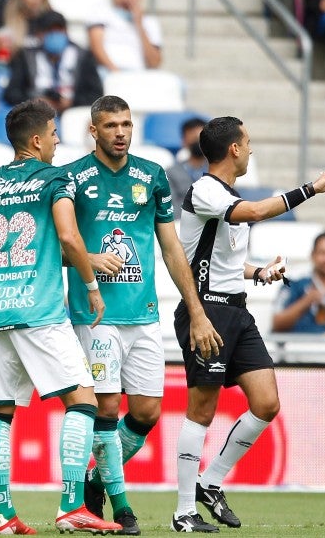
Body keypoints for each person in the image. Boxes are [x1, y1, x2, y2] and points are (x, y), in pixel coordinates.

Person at [0, 99, 121, 535]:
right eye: (55, 133)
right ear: (37, 139)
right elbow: (67, 234)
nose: (59, 141)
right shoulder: (54, 178)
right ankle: (71, 506)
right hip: (40, 310)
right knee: (83, 401)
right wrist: (91, 283)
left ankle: (4, 514)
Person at [58, 96, 221, 535]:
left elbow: (171, 247)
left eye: (126, 123)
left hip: (144, 314)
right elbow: (52, 245)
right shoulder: (72, 178)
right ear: (94, 131)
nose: (120, 132)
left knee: (147, 412)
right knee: (107, 408)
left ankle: (95, 480)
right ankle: (123, 506)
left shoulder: (151, 176)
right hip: (98, 316)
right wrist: (90, 258)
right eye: (110, 125)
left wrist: (196, 309)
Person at [171, 116, 325, 532]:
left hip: (236, 310)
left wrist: (258, 273)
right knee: (202, 410)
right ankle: (183, 511)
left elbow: (218, 262)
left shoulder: (224, 194)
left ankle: (209, 483)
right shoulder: (206, 190)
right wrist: (310, 189)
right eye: (247, 143)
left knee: (266, 403)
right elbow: (258, 211)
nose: (250, 150)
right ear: (233, 149)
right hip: (205, 311)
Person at [3, 10, 103, 114]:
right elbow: (11, 93)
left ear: (66, 31)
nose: (55, 34)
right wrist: (34, 102)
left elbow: (96, 94)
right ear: (39, 34)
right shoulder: (26, 58)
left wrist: (71, 102)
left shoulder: (83, 57)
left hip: (71, 111)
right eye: (49, 30)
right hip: (37, 114)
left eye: (59, 30)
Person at [272, 231, 325, 335]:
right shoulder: (294, 283)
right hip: (294, 348)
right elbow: (277, 324)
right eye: (322, 253)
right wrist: (306, 301)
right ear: (312, 255)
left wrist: (324, 340)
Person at [87, 0, 162, 73]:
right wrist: (117, 73)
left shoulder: (150, 23)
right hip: (109, 73)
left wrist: (139, 26)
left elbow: (154, 63)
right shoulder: (101, 15)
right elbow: (97, 48)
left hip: (139, 75)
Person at [167, 118, 208, 216]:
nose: (198, 143)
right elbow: (171, 207)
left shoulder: (220, 170)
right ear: (184, 141)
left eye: (201, 139)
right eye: (194, 139)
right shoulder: (171, 173)